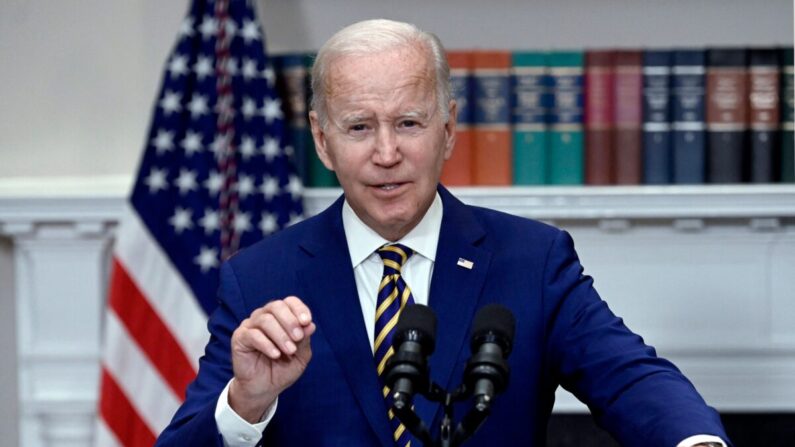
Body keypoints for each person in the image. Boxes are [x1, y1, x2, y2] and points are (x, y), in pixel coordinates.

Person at [156, 19, 730, 447]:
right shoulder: (260, 277)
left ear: (449, 128)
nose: (387, 154)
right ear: (323, 140)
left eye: (409, 123)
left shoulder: (532, 261)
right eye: (359, 127)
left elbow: (631, 379)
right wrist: (247, 402)